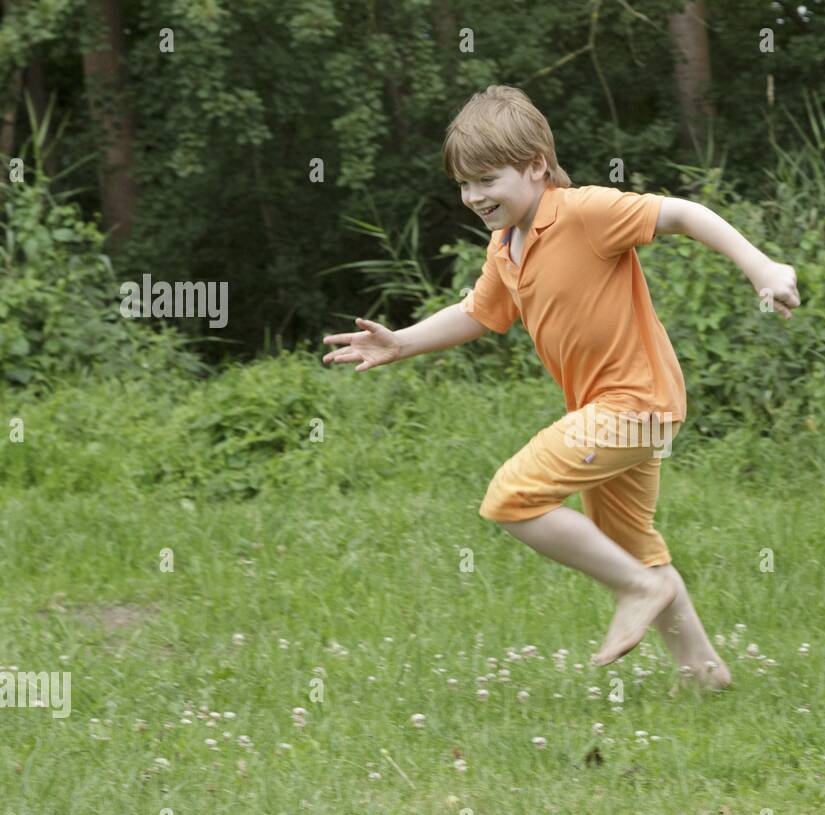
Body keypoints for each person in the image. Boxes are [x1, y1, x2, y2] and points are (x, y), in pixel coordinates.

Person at [323, 86, 799, 689]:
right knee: (629, 541)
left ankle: (639, 589)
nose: (473, 197)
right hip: (612, 411)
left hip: (635, 404)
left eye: (487, 180)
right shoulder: (506, 245)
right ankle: (704, 672)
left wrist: (760, 267)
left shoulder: (583, 212)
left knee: (511, 497)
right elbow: (479, 312)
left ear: (535, 167)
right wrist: (402, 342)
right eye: (464, 185)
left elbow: (680, 214)